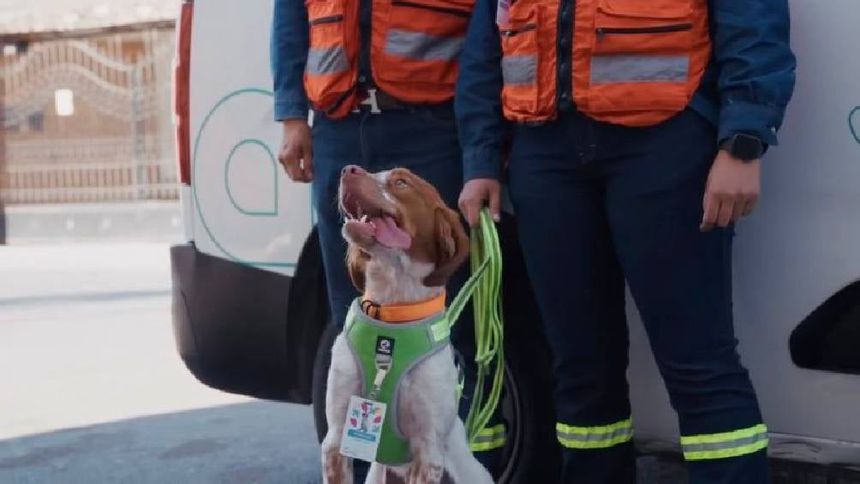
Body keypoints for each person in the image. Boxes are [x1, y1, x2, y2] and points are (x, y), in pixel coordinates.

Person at [455, 0, 796, 482]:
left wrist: (744, 140)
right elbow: (486, 47)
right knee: (579, 367)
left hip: (665, 145)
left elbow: (753, 23)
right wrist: (481, 159)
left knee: (698, 364)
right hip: (545, 156)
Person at [270, 0, 505, 478]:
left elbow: (484, 39)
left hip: (429, 129)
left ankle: (456, 471)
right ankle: (369, 473)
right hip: (339, 127)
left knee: (449, 332)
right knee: (359, 338)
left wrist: (479, 151)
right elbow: (290, 13)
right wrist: (292, 114)